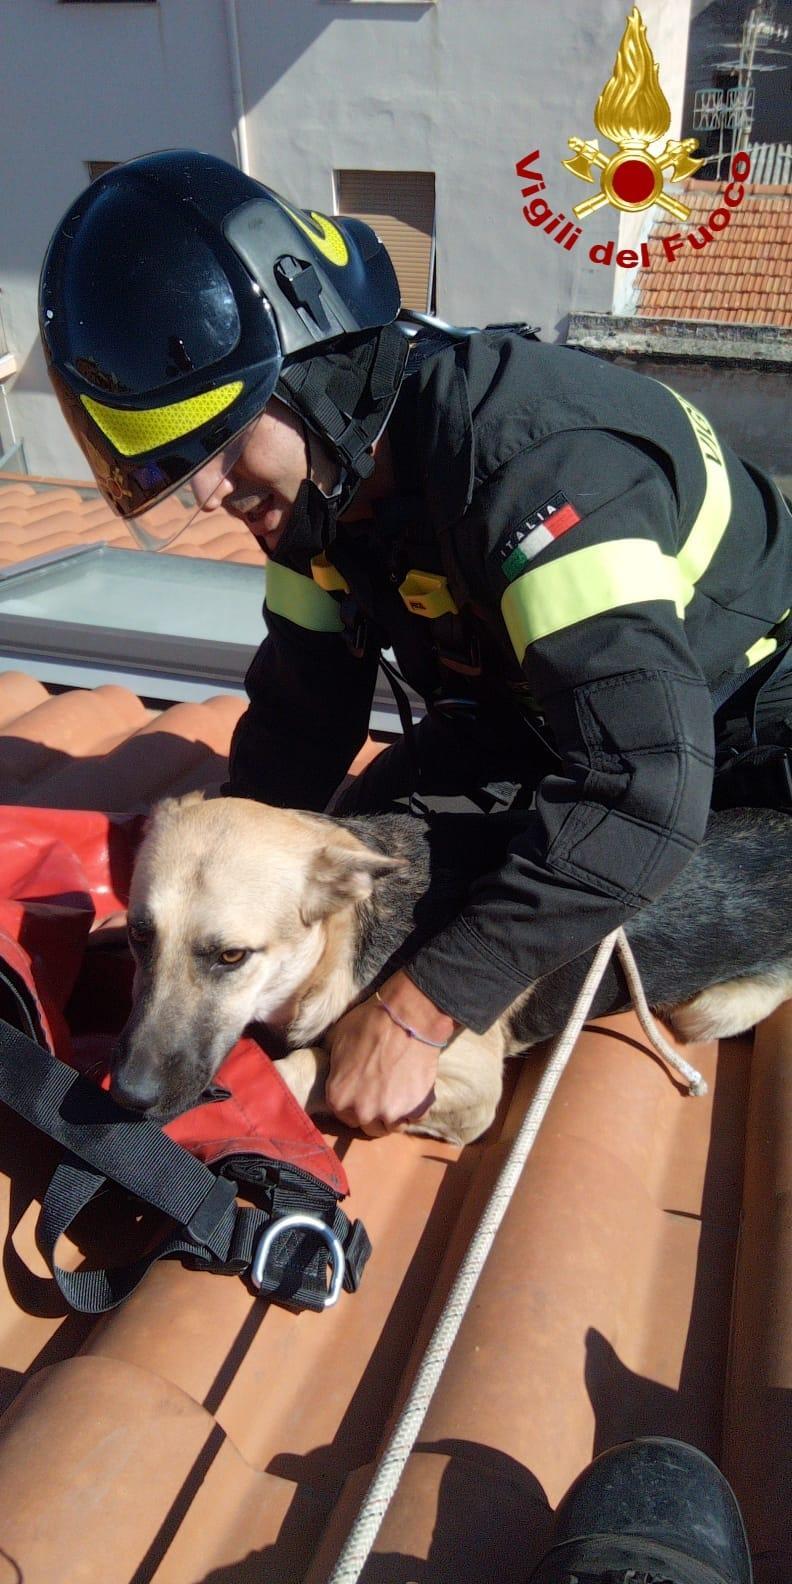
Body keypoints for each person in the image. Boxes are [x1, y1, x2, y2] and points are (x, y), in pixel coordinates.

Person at [39, 151, 792, 1136]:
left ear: (311, 371)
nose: (213, 494)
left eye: (220, 443)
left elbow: (646, 785)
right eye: (182, 471)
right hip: (550, 727)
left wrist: (419, 1011)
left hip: (740, 751)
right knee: (368, 839)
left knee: (600, 894)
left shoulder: (539, 470)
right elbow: (297, 737)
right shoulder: (318, 501)